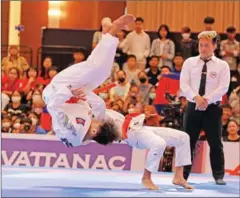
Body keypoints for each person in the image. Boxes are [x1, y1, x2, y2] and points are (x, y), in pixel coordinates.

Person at [43, 15, 192, 191]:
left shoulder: (74, 129)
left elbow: (53, 106)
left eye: (98, 121)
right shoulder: (93, 123)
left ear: (94, 129)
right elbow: (100, 108)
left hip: (57, 91)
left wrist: (70, 92)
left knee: (92, 67)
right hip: (126, 126)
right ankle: (178, 176)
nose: (97, 118)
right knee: (102, 72)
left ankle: (110, 33)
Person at [180, 31, 230, 185]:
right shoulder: (189, 62)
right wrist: (196, 98)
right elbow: (184, 84)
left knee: (215, 143)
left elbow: (223, 88)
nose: (202, 48)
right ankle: (183, 175)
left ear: (214, 46)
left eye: (206, 45)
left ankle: (219, 175)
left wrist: (206, 99)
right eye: (200, 45)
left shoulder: (222, 65)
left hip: (212, 108)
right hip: (193, 106)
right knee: (188, 141)